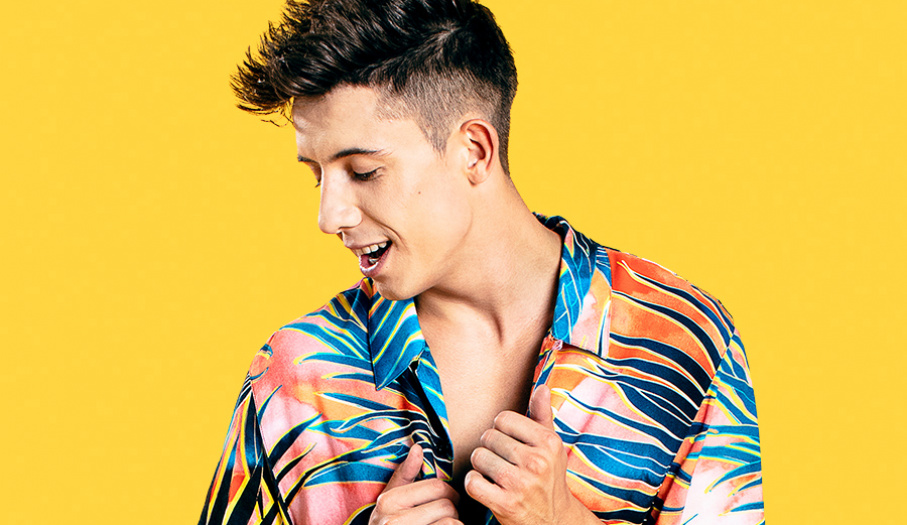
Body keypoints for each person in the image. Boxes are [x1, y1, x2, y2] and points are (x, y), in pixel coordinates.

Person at [198, 1, 764, 524]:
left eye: (363, 172)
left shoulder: (681, 339)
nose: (330, 216)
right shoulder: (296, 377)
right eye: (317, 175)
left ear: (474, 151)